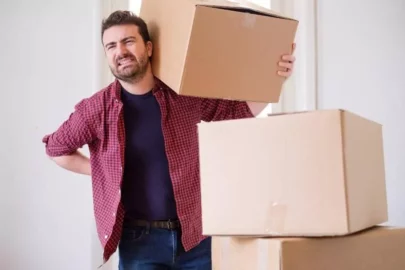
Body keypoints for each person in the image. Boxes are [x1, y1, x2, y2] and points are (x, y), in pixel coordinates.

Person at [42, 10, 296, 270]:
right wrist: (100, 171)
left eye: (129, 41)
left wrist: (277, 78)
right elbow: (56, 148)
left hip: (195, 239)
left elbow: (237, 112)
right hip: (139, 242)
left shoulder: (183, 95)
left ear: (148, 47)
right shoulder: (97, 109)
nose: (121, 51)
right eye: (111, 46)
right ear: (107, 55)